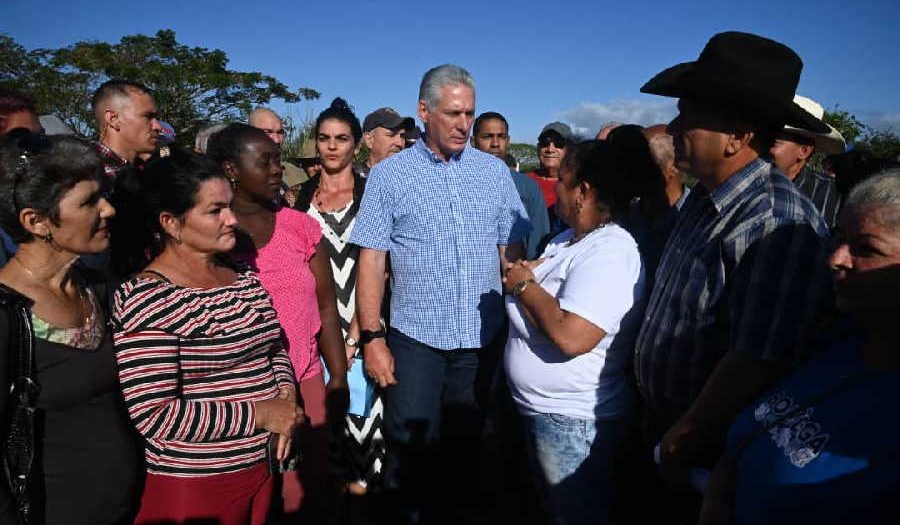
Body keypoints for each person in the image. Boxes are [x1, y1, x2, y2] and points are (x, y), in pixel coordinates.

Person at [634, 31, 833, 521]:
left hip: (707, 449)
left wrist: (685, 437)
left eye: (689, 116)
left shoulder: (774, 220)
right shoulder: (703, 199)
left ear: (738, 137)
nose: (673, 127)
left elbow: (756, 359)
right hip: (665, 425)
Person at [350, 64, 530, 524]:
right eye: (453, 113)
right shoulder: (390, 177)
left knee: (467, 458)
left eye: (469, 112)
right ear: (423, 111)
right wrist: (372, 338)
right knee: (409, 455)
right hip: (416, 344)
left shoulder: (493, 173)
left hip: (480, 342)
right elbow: (372, 259)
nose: (464, 124)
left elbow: (511, 252)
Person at [109, 147, 305, 525]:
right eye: (215, 211)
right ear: (171, 222)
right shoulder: (149, 298)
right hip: (198, 485)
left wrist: (286, 395)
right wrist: (263, 413)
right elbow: (155, 414)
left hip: (261, 468)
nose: (232, 219)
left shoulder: (241, 276)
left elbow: (274, 346)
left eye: (228, 206)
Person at [700, 171, 900, 525]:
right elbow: (751, 435)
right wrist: (720, 490)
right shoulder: (832, 342)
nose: (836, 259)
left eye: (866, 249)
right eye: (839, 239)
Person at [207, 123, 347, 522]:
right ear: (231, 169)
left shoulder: (300, 227)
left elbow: (325, 307)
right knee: (256, 494)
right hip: (242, 391)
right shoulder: (213, 235)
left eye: (277, 160)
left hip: (305, 376)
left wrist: (335, 377)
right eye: (264, 161)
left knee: (309, 488)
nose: (277, 170)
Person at [0, 133, 140, 525]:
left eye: (104, 195)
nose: (109, 210)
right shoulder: (8, 315)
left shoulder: (99, 290)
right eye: (89, 202)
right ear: (37, 221)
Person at [503, 140, 644, 525]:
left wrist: (523, 286)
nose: (557, 189)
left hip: (571, 424)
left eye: (563, 180)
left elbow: (572, 336)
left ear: (582, 192)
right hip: (548, 416)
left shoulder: (611, 252)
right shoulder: (569, 240)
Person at [472, 111, 550, 259]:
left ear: (508, 141)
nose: (495, 144)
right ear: (473, 141)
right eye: (487, 137)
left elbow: (538, 243)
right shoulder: (460, 183)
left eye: (501, 137)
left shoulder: (528, 187)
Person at [769, 95, 847, 228]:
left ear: (804, 151)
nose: (760, 148)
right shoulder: (743, 184)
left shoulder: (834, 197)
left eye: (773, 142)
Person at [91, 80, 163, 179]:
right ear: (113, 119)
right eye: (147, 116)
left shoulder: (146, 172)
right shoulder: (91, 176)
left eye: (156, 118)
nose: (157, 127)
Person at [528, 122, 572, 234]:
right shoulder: (523, 183)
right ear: (538, 148)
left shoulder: (577, 186)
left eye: (558, 143)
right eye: (545, 143)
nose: (550, 149)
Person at [357, 107, 414, 177]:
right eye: (391, 135)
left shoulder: (411, 178)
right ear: (369, 140)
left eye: (402, 136)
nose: (399, 143)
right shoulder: (352, 181)